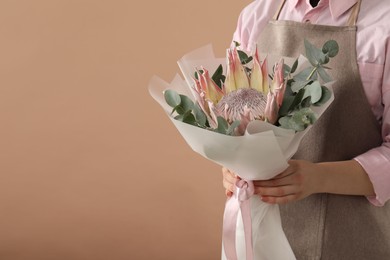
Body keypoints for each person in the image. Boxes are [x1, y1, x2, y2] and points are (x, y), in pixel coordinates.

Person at [222, 0, 390, 259]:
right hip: (258, 237)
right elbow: (230, 121)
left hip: (350, 240)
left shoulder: (384, 24)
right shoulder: (256, 16)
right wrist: (231, 168)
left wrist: (318, 177)